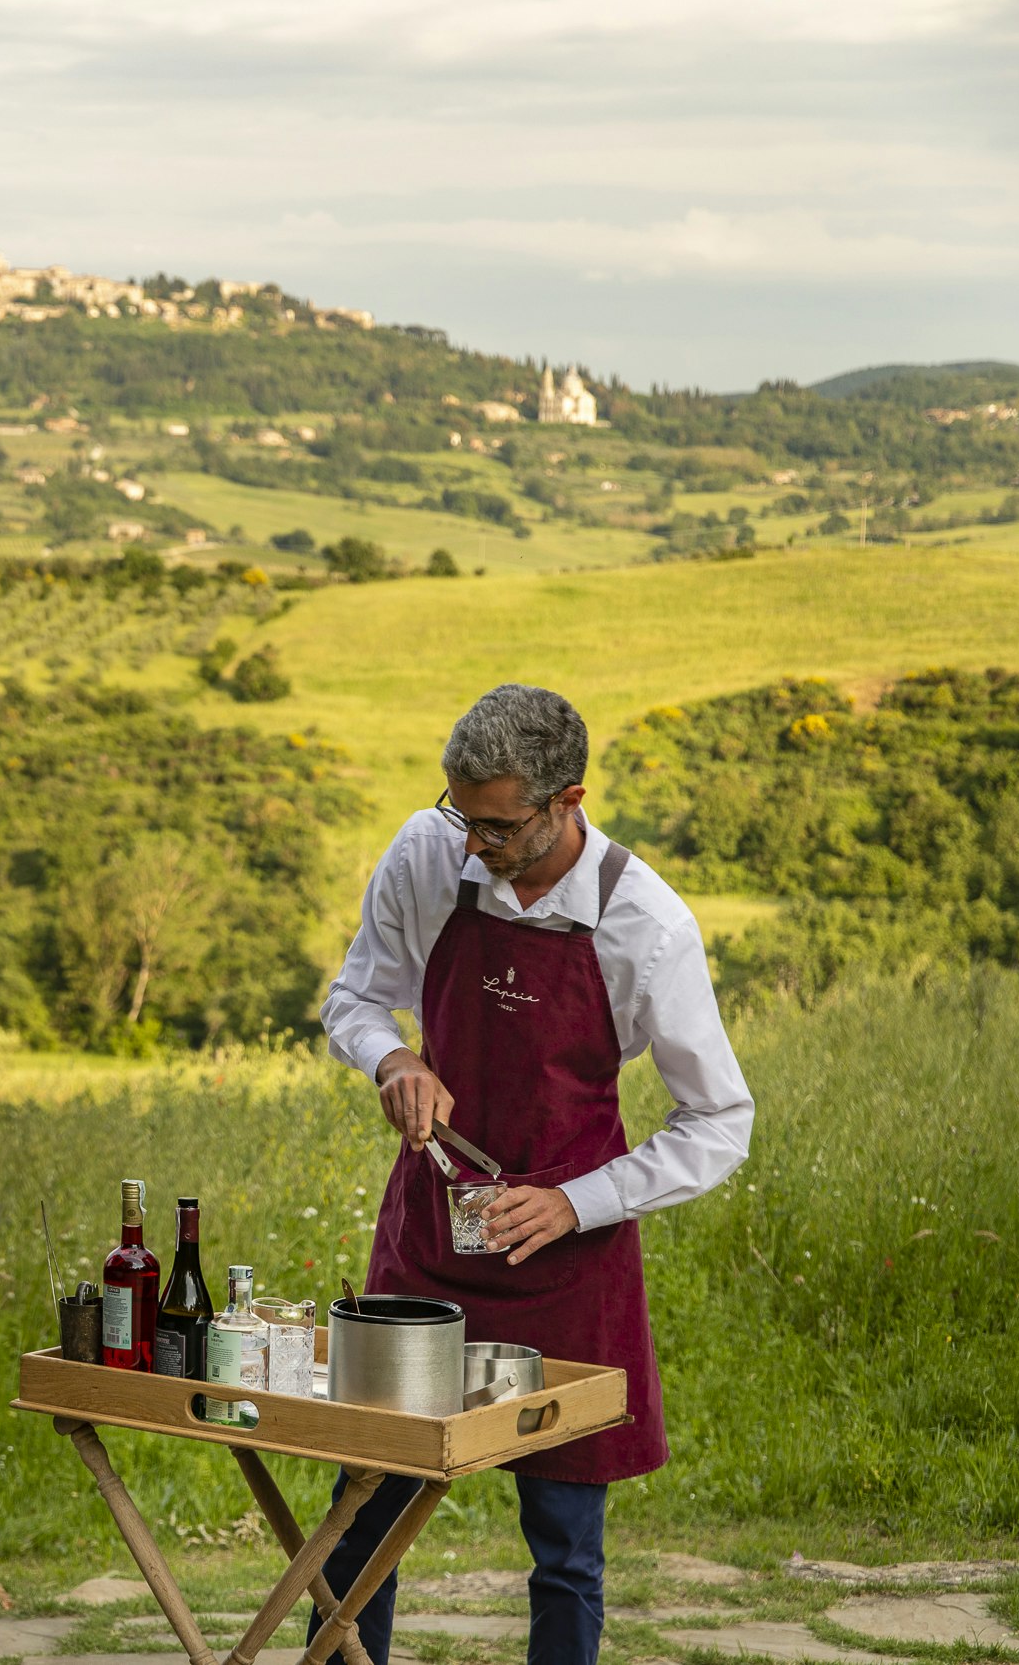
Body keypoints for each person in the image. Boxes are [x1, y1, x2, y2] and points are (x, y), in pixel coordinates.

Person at [317, 684, 754, 1665]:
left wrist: (571, 1201)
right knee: (359, 1514)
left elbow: (721, 1121)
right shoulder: (428, 851)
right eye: (458, 813)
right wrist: (391, 1057)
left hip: (570, 1267)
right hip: (429, 1243)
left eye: (498, 825)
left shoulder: (645, 925)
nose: (470, 841)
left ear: (568, 799)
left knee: (564, 1549)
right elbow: (356, 996)